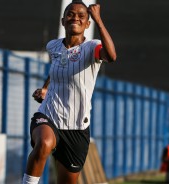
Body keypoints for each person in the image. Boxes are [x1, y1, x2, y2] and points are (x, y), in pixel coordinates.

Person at [22, 0, 116, 183]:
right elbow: (57, 69)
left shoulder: (92, 47)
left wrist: (99, 19)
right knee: (44, 143)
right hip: (49, 115)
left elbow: (111, 56)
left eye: (82, 16)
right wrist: (46, 88)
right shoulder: (53, 46)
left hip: (77, 127)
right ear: (63, 20)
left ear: (88, 24)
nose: (76, 18)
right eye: (71, 14)